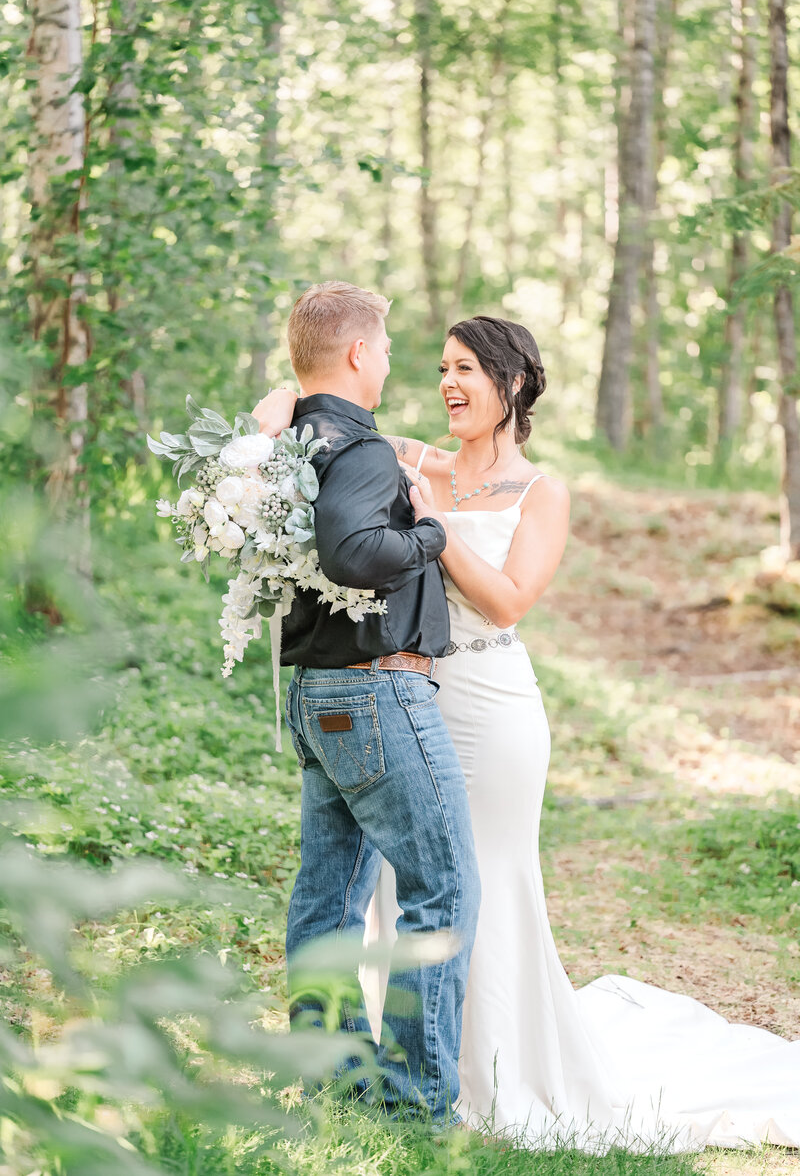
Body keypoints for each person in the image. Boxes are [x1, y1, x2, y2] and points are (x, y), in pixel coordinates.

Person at [256, 313, 800, 1151]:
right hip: (408, 694)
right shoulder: (416, 457)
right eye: (440, 367)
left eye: (467, 369)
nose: (447, 383)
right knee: (408, 886)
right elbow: (311, 415)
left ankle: (502, 1064)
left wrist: (431, 532)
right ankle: (413, 1063)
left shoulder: (542, 491)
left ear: (511, 384)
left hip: (495, 706)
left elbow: (509, 599)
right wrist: (278, 411)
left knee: (484, 878)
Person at [275, 281, 480, 1127]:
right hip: (375, 689)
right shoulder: (359, 450)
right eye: (389, 348)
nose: (393, 363)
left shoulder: (285, 446)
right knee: (442, 891)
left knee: (328, 898)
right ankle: (412, 1102)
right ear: (359, 353)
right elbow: (355, 552)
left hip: (316, 693)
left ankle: (328, 1082)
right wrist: (432, 534)